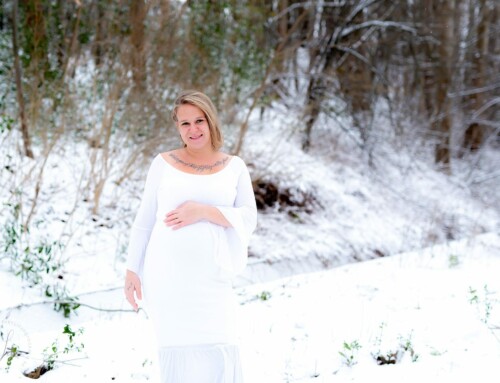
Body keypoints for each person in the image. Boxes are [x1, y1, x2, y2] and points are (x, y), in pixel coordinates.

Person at [124, 90, 257, 382]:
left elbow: (249, 217)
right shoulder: (162, 163)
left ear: (211, 122)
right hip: (167, 278)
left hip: (213, 277)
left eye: (200, 120)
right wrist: (132, 269)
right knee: (178, 354)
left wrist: (203, 211)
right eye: (185, 123)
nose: (193, 129)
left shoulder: (234, 167)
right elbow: (145, 220)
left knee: (221, 346)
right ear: (177, 127)